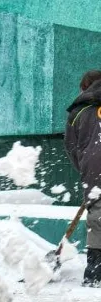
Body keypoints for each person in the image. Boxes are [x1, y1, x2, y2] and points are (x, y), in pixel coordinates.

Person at [64, 70, 101, 286]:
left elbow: (72, 147)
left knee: (97, 217)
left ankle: (95, 272)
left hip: (94, 169)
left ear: (85, 87)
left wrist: (87, 169)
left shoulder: (78, 111)